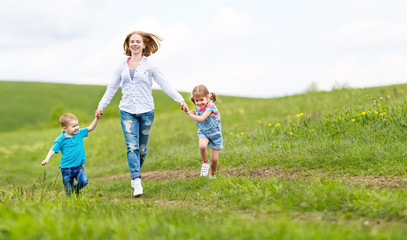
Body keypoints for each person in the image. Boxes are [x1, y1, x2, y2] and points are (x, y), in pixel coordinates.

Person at [95, 31, 189, 197]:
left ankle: (135, 173)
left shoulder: (150, 66)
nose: (135, 44)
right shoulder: (121, 66)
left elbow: (165, 85)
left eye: (138, 41)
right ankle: (137, 180)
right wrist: (101, 106)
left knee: (142, 150)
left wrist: (180, 100)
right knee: (132, 146)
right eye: (132, 42)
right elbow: (111, 88)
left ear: (144, 45)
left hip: (146, 111)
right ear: (128, 45)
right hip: (127, 111)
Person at [41, 113, 99, 196]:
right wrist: (47, 159)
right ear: (65, 128)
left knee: (84, 181)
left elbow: (91, 128)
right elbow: (53, 149)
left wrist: (96, 118)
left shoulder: (79, 133)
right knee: (68, 191)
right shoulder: (61, 139)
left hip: (79, 167)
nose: (77, 127)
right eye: (73, 126)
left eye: (77, 125)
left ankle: (75, 190)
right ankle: (71, 203)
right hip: (66, 169)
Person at [187, 85, 223, 179]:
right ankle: (205, 163)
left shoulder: (210, 106)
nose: (199, 103)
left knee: (214, 160)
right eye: (196, 100)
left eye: (201, 100)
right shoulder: (197, 106)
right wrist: (191, 112)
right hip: (204, 132)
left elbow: (202, 119)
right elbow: (198, 114)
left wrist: (191, 115)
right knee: (202, 145)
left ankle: (212, 175)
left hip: (215, 135)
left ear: (207, 98)